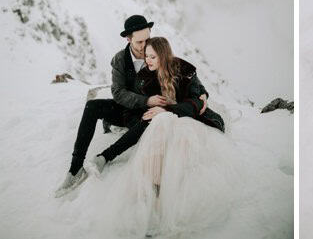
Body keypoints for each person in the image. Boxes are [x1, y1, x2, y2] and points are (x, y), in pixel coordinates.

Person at [54, 15, 223, 198]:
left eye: (147, 40)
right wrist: (147, 101)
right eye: (140, 42)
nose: (144, 46)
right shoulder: (120, 60)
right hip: (131, 108)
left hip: (155, 114)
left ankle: (119, 162)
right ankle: (75, 169)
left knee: (151, 122)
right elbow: (118, 93)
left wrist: (202, 94)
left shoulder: (160, 54)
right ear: (129, 39)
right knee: (92, 107)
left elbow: (189, 80)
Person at [101, 36, 237, 237]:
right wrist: (108, 154)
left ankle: (169, 197)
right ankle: (153, 191)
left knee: (173, 127)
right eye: (146, 56)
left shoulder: (183, 70)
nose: (148, 61)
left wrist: (167, 110)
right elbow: (141, 116)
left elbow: (198, 103)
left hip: (193, 122)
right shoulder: (145, 77)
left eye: (153, 56)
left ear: (163, 55)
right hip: (164, 123)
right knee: (159, 124)